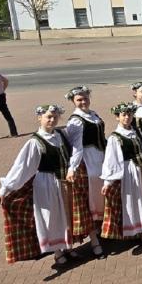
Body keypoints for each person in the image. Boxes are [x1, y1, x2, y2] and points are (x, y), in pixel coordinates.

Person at [0, 104, 72, 267]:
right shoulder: (35, 142)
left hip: (61, 182)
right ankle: (57, 253)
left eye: (55, 117)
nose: (52, 120)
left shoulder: (59, 135)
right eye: (48, 117)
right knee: (50, 217)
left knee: (64, 215)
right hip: (45, 184)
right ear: (40, 118)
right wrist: (5, 188)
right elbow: (21, 167)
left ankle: (65, 246)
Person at [100, 102, 142, 243]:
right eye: (123, 115)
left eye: (129, 114)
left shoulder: (136, 132)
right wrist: (108, 181)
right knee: (136, 201)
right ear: (117, 117)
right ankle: (141, 232)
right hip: (130, 173)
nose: (127, 117)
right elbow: (111, 160)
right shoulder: (115, 138)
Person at [64, 85, 105, 258]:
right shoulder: (75, 120)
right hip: (87, 160)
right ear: (73, 101)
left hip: (100, 156)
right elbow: (75, 147)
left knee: (103, 193)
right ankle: (94, 237)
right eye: (79, 100)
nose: (83, 102)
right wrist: (73, 167)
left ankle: (102, 230)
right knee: (91, 198)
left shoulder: (93, 114)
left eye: (85, 98)